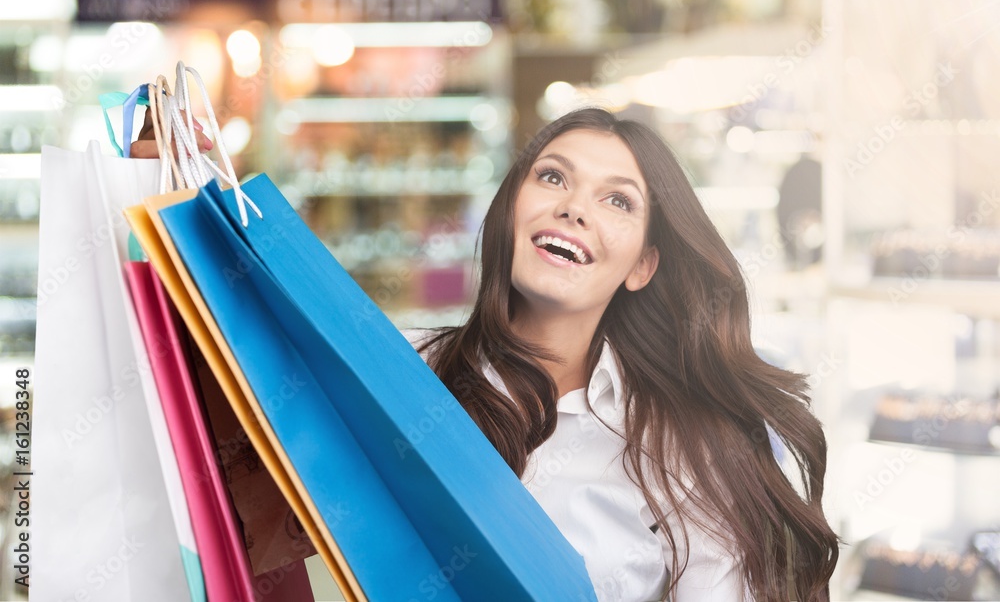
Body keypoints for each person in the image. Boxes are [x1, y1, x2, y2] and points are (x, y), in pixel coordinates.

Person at [132, 106, 839, 601]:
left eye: (617, 200)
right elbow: (229, 505)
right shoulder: (399, 373)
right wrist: (154, 192)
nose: (574, 207)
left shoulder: (684, 445)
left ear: (643, 264)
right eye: (553, 177)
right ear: (511, 210)